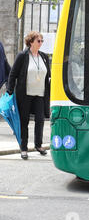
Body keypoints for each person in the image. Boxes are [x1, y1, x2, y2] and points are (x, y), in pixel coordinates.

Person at [7, 32, 50, 160]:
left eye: (42, 41)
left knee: (40, 121)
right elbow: (13, 74)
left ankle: (38, 145)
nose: (41, 43)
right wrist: (10, 91)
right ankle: (24, 148)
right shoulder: (22, 56)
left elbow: (48, 75)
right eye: (38, 41)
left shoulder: (44, 57)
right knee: (24, 121)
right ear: (31, 42)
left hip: (40, 94)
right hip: (25, 94)